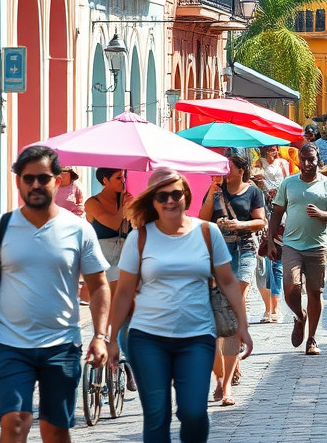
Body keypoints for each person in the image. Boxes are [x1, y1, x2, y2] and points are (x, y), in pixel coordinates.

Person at [0, 145, 111, 443]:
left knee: (55, 431)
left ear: (58, 179)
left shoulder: (78, 229)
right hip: (9, 346)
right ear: (18, 181)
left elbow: (99, 284)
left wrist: (100, 336)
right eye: (28, 178)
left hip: (62, 346)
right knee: (14, 424)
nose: (36, 185)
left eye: (43, 177)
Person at [109, 167, 252, 440]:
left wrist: (242, 325)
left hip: (197, 337)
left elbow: (228, 282)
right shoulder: (139, 238)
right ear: (152, 201)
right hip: (147, 338)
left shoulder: (207, 233)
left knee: (194, 412)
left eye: (176, 194)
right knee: (156, 416)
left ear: (186, 195)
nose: (170, 201)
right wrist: (111, 338)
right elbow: (124, 292)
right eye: (162, 196)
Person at [199, 153, 265, 404]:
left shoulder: (253, 191)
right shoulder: (215, 190)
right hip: (218, 252)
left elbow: (261, 221)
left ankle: (226, 384)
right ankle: (222, 374)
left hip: (245, 249)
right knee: (218, 317)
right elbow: (203, 220)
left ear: (241, 170)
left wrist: (238, 225)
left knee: (233, 308)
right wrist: (212, 194)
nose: (225, 172)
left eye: (230, 168)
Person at [268, 142, 327, 355]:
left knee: (314, 292)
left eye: (312, 159)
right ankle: (300, 316)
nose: (308, 163)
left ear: (318, 159)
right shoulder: (289, 184)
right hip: (292, 244)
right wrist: (272, 240)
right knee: (291, 286)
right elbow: (277, 212)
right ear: (298, 160)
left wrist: (321, 214)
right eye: (304, 159)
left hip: (318, 246)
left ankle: (311, 338)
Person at [250, 144, 291, 323]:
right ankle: (269, 307)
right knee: (263, 263)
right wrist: (262, 188)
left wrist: (279, 194)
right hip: (263, 210)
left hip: (281, 213)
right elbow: (254, 183)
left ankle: (276, 307)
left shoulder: (284, 163)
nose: (271, 152)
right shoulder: (257, 163)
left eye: (274, 149)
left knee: (277, 263)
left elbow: (289, 184)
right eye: (268, 149)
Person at [85, 167, 132, 292]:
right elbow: (113, 224)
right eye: (118, 178)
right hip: (103, 260)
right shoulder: (92, 203)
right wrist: (124, 207)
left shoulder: (128, 198)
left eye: (124, 177)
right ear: (105, 180)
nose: (123, 181)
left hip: (127, 258)